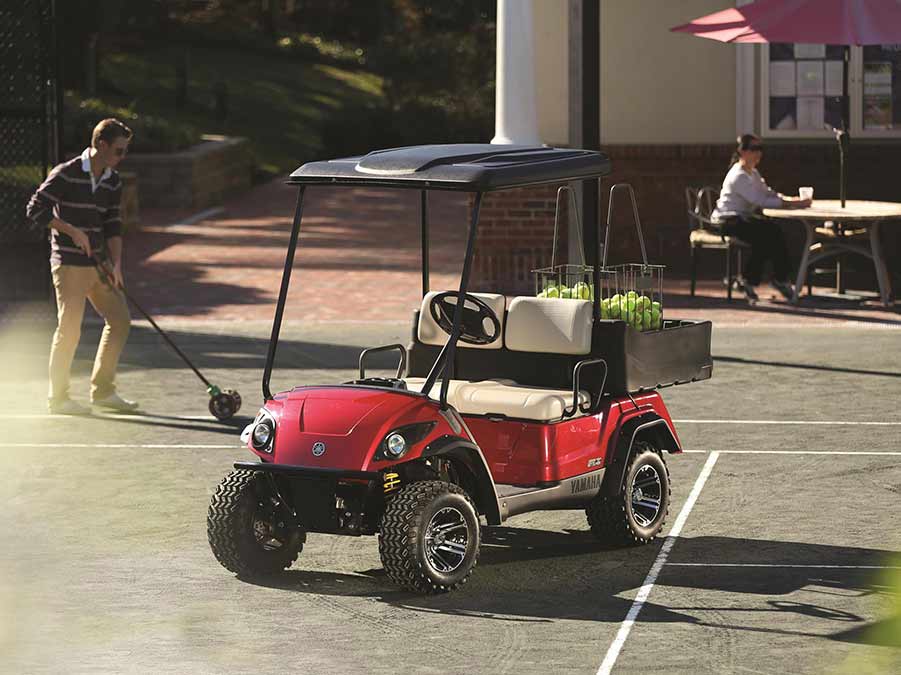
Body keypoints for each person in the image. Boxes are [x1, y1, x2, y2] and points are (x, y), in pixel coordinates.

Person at [26, 118, 139, 415]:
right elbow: (35, 208)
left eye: (124, 151)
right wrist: (72, 231)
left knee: (120, 320)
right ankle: (58, 398)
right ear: (101, 145)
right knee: (70, 329)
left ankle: (102, 391)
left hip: (99, 265)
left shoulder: (113, 180)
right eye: (118, 150)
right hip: (69, 265)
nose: (121, 157)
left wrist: (116, 266)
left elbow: (114, 224)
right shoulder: (67, 173)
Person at [711, 133, 811, 303]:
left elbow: (768, 192)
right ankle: (764, 280)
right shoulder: (739, 176)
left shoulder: (753, 173)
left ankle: (762, 279)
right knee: (767, 233)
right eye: (754, 149)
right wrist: (794, 203)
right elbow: (760, 201)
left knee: (772, 231)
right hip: (727, 221)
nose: (758, 153)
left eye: (760, 149)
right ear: (742, 152)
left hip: (742, 218)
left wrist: (792, 200)